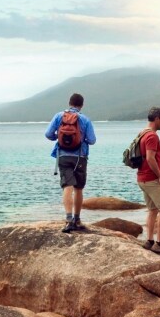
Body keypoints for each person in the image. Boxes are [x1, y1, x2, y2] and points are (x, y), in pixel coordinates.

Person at [45, 93, 96, 233]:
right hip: (80, 156)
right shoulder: (85, 119)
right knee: (78, 188)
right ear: (81, 105)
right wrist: (80, 138)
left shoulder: (59, 116)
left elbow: (48, 134)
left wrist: (60, 137)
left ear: (69, 103)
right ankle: (77, 220)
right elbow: (92, 140)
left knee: (67, 186)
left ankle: (68, 219)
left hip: (62, 155)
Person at [137, 106, 160, 257]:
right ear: (157, 118)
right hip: (152, 179)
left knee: (152, 210)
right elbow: (150, 158)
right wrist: (159, 175)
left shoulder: (142, 133)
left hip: (142, 178)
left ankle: (149, 241)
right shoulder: (152, 136)